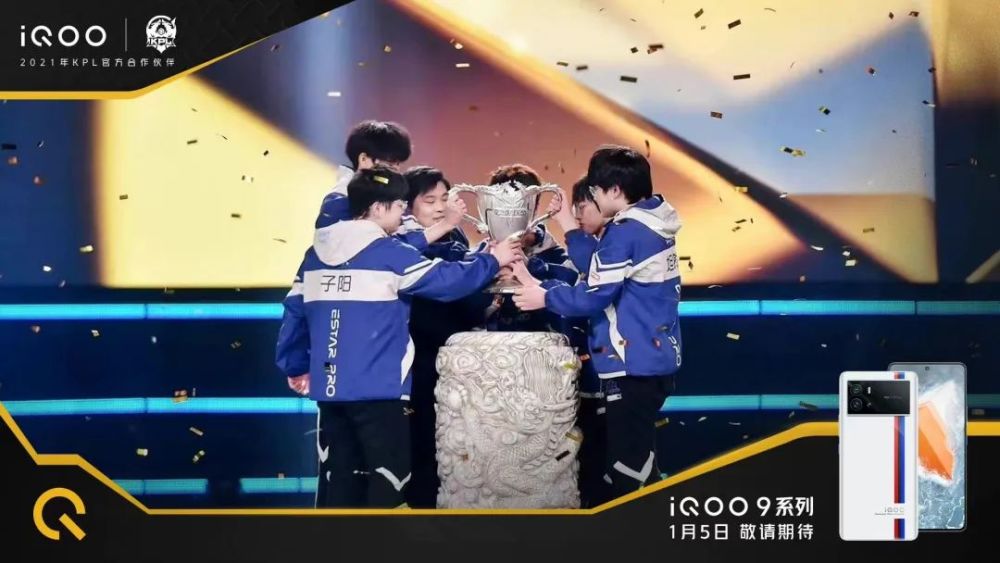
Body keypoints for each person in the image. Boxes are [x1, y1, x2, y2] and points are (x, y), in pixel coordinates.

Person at [275, 166, 522, 508]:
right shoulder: (389, 254)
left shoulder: (313, 256)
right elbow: (449, 283)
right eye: (399, 207)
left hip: (330, 391)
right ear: (378, 208)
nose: (403, 215)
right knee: (389, 480)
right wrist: (493, 260)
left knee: (341, 479)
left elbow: (293, 312)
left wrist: (294, 365)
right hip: (381, 390)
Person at [512, 145, 683, 500]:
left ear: (615, 190)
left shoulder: (626, 232)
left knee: (628, 467)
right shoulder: (653, 220)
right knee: (636, 457)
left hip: (632, 363)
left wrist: (544, 297)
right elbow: (599, 267)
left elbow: (593, 295)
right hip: (652, 358)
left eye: (595, 190)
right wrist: (567, 224)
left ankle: (637, 529)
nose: (592, 196)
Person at [401, 165, 497, 508]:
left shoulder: (455, 238)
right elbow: (447, 286)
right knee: (422, 444)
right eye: (430, 201)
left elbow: (466, 293)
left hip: (459, 360)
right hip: (418, 361)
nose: (441, 207)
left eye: (445, 198)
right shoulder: (399, 243)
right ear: (407, 206)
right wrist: (485, 264)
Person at [546, 175, 611, 507]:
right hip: (583, 375)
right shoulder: (584, 247)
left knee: (611, 455)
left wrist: (567, 225)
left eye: (583, 206)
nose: (577, 214)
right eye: (574, 208)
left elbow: (590, 291)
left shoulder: (613, 246)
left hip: (611, 374)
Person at [485, 163, 578, 332]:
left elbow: (573, 301)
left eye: (518, 206)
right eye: (502, 206)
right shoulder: (482, 257)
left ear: (534, 208)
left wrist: (531, 268)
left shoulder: (556, 257)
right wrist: (487, 268)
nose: (510, 214)